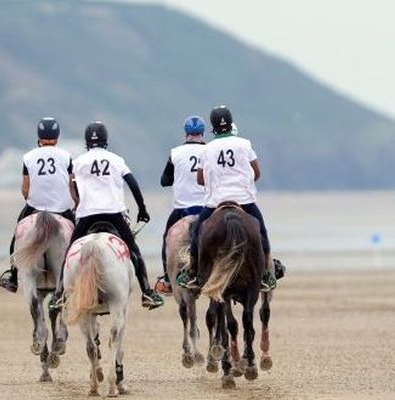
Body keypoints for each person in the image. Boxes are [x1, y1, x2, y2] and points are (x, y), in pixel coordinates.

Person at [55, 121, 164, 309]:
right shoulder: (116, 159)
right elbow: (133, 184)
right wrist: (142, 208)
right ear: (105, 141)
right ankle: (147, 291)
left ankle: (59, 294)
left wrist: (77, 202)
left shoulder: (78, 162)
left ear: (87, 142)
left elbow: (71, 186)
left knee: (69, 253)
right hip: (114, 214)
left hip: (88, 215)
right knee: (134, 251)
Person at [176, 105, 278, 292]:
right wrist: (244, 183)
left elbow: (200, 179)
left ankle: (194, 273)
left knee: (197, 234)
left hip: (215, 201)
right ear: (230, 123)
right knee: (262, 231)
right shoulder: (244, 144)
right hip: (244, 200)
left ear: (213, 126)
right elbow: (256, 172)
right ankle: (266, 275)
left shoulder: (207, 149)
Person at [0, 117, 78, 293]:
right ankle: (77, 272)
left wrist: (31, 198)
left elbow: (25, 189)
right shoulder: (66, 156)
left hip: (35, 206)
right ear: (57, 137)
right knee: (78, 237)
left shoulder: (28, 157)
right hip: (62, 208)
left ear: (39, 136)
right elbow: (72, 184)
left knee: (15, 238)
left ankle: (12, 275)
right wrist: (76, 202)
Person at [154, 116, 206, 295]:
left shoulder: (175, 153)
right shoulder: (210, 150)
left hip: (182, 209)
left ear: (186, 133)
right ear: (203, 133)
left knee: (166, 239)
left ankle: (168, 280)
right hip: (208, 208)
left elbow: (164, 181)